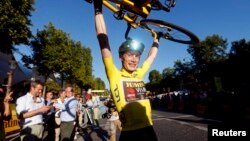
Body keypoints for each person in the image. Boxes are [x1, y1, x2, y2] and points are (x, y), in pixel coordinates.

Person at [92, 0, 161, 140]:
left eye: (137, 56)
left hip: (149, 130)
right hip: (129, 133)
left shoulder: (139, 73)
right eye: (130, 55)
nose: (134, 59)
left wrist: (156, 40)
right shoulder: (114, 74)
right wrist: (98, 8)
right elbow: (103, 40)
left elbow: (151, 56)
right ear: (120, 57)